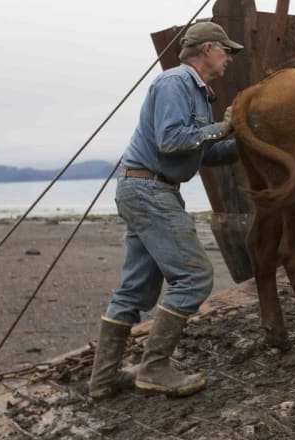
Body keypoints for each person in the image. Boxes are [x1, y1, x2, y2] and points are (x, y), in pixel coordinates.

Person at [88, 20, 244, 399]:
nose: (230, 60)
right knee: (193, 277)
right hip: (149, 189)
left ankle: (104, 379)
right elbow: (172, 140)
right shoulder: (175, 82)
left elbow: (203, 152)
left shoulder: (198, 94)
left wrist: (246, 140)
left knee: (135, 289)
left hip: (145, 188)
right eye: (226, 50)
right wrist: (224, 127)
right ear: (207, 49)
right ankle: (154, 368)